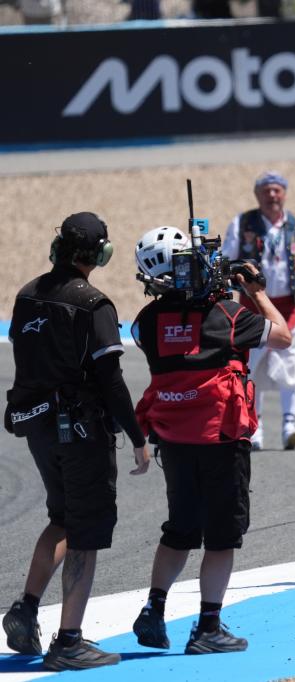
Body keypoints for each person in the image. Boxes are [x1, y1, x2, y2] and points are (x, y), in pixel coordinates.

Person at [129, 224, 292, 654]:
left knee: (179, 529)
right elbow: (282, 336)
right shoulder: (228, 316)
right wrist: (256, 292)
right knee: (221, 537)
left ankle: (154, 608)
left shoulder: (145, 323)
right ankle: (208, 627)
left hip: (173, 439)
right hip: (221, 437)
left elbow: (177, 336)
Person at [2, 212, 150, 672]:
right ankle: (68, 641)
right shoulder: (93, 304)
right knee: (85, 531)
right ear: (101, 253)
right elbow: (112, 381)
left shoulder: (27, 294)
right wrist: (137, 436)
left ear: (58, 247)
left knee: (62, 517)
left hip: (39, 427)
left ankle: (27, 607)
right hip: (81, 431)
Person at [222, 171, 295, 451]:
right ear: (257, 195)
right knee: (251, 367)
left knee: (294, 365)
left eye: (277, 190)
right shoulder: (242, 223)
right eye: (266, 190)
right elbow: (225, 261)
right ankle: (254, 427)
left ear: (284, 193)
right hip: (253, 308)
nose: (272, 195)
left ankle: (289, 425)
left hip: (290, 309)